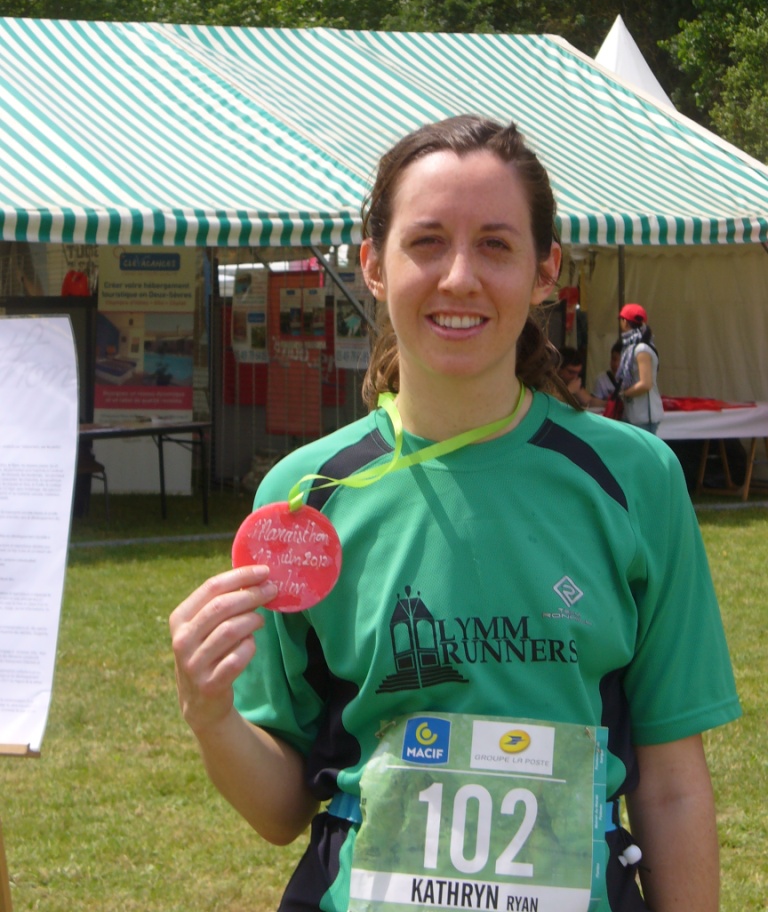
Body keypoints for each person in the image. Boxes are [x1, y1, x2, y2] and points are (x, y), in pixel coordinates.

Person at [170, 115, 740, 912]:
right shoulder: (304, 497)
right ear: (373, 265)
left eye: (497, 245)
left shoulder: (635, 477)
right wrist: (210, 714)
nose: (460, 277)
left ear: (547, 271)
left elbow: (674, 788)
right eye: (427, 242)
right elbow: (280, 809)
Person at [617, 304, 664, 434]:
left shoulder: (641, 349)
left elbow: (645, 384)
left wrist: (623, 394)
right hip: (635, 414)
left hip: (643, 416)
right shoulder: (634, 348)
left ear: (625, 322)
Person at [591, 340, 623, 407]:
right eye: (614, 359)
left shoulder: (633, 380)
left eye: (621, 361)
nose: (616, 364)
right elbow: (594, 403)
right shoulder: (601, 379)